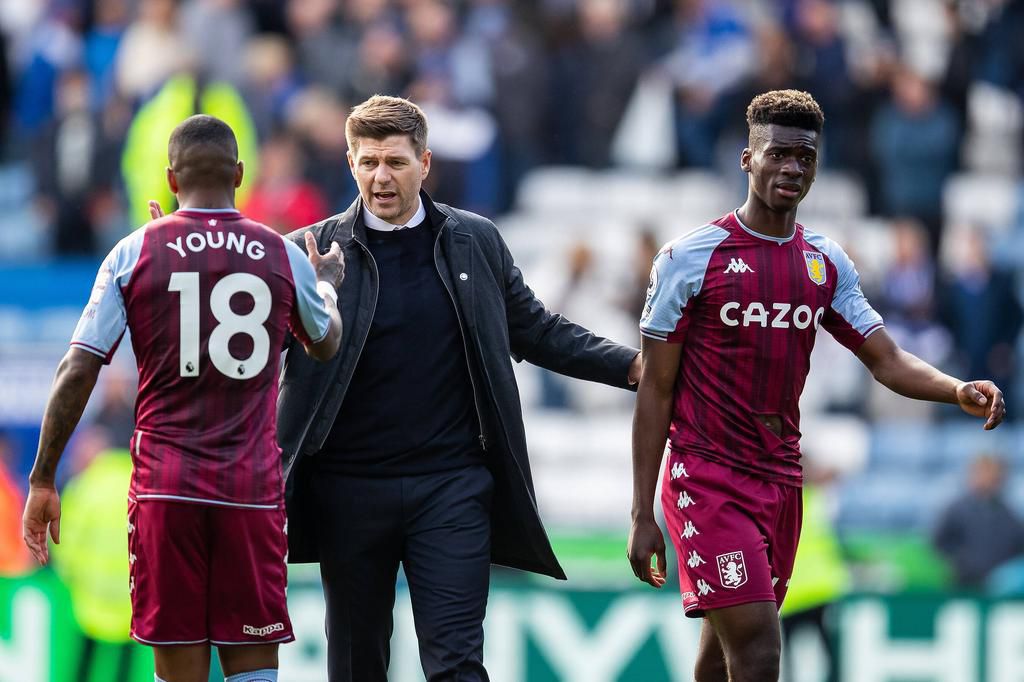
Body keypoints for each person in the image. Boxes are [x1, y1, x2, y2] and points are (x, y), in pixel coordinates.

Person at [627, 89, 1005, 682]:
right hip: (707, 476)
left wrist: (953, 388)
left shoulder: (824, 263)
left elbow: (885, 359)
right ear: (747, 159)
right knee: (758, 649)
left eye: (805, 157)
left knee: (721, 659)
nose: (792, 168)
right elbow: (656, 388)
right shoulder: (691, 258)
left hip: (780, 481)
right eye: (778, 154)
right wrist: (640, 511)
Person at [277, 94, 640, 682]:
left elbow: (537, 330)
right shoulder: (309, 252)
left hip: (449, 489)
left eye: (395, 162)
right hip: (347, 492)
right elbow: (252, 354)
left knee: (457, 668)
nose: (380, 177)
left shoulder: (475, 240)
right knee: (353, 667)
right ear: (349, 164)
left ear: (425, 162)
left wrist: (632, 368)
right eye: (367, 162)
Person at [22, 114, 344, 682]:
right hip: (250, 491)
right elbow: (324, 344)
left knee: (178, 670)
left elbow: (78, 368)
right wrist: (325, 286)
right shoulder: (281, 254)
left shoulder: (135, 252)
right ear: (240, 175)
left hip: (165, 492)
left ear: (171, 180)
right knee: (252, 667)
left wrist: (43, 478)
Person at [932, 454, 1024, 589]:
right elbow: (939, 543)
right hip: (961, 583)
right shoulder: (956, 510)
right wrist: (960, 563)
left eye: (993, 473)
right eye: (982, 472)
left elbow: (1017, 549)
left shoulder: (1009, 515)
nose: (987, 478)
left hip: (997, 587)